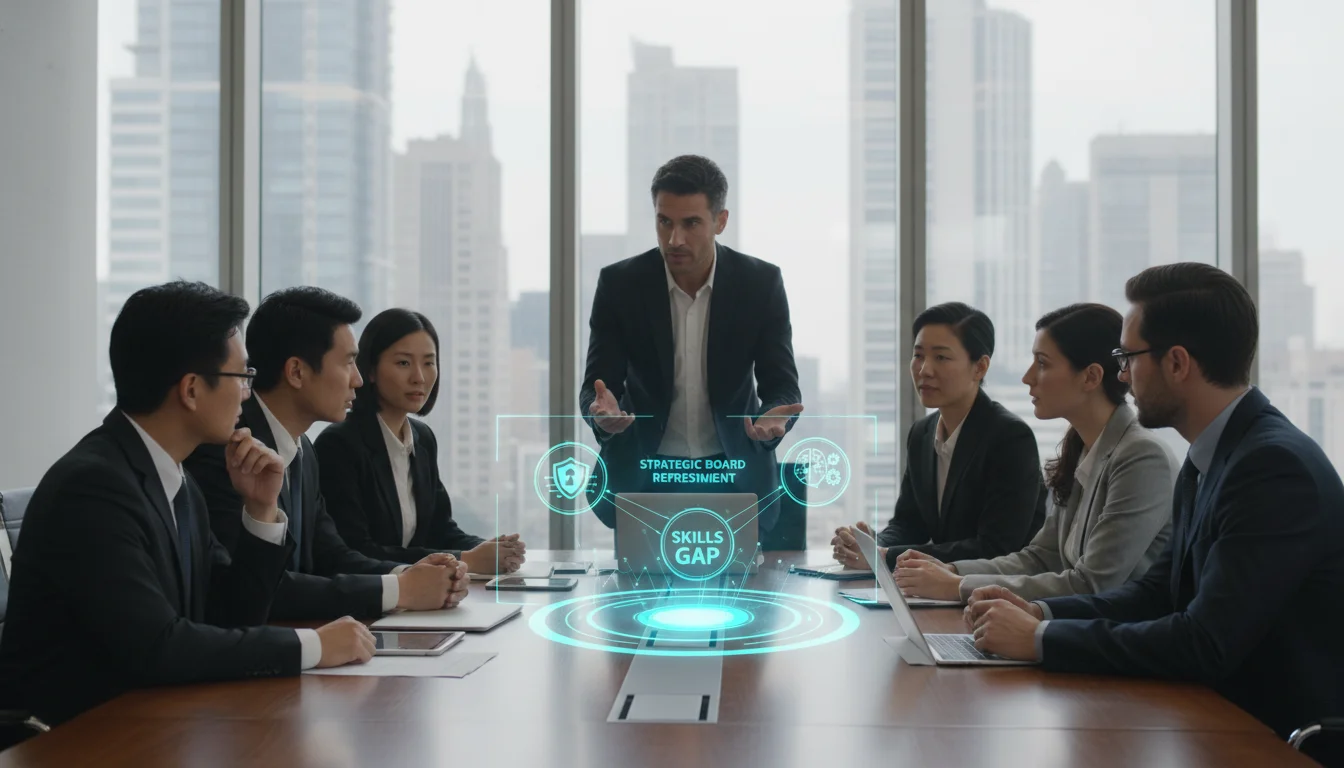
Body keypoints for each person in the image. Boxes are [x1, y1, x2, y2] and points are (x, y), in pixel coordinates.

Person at [965, 264, 1344, 763]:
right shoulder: (1211, 456)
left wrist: (1040, 639)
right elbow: (1156, 594)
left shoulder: (1272, 468)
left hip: (1275, 739)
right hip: (1209, 718)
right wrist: (1040, 612)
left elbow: (1204, 641)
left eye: (1128, 358)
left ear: (1178, 363)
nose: (1122, 375)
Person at [0, 281, 374, 726]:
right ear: (192, 390)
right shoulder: (94, 487)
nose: (248, 393)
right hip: (74, 736)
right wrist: (311, 646)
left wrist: (260, 511)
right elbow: (158, 646)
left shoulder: (177, 481)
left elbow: (230, 616)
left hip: (156, 719)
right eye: (242, 377)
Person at [185, 287, 468, 621]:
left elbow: (331, 555)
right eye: (348, 362)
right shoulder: (229, 451)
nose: (358, 380)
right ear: (296, 372)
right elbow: (257, 588)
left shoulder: (303, 449)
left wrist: (410, 575)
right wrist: (401, 590)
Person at [892, 303, 1175, 603]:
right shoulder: (1082, 450)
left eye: (1042, 363)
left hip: (1112, 629)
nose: (1027, 377)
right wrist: (949, 570)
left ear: (1091, 377)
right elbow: (1040, 558)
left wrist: (957, 585)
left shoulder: (1142, 458)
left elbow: (1092, 584)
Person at [580, 155, 803, 534]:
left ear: (721, 221)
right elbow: (596, 387)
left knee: (741, 575)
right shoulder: (621, 285)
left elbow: (781, 384)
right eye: (664, 222)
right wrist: (601, 416)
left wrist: (773, 417)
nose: (674, 239)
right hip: (644, 475)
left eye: (691, 223)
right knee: (637, 574)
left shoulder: (759, 284)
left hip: (733, 475)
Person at [832, 302, 1047, 573]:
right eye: (918, 355)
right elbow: (909, 524)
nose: (924, 370)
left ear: (980, 367)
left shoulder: (1010, 437)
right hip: (943, 588)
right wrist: (871, 545)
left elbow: (996, 547)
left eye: (941, 358)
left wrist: (885, 556)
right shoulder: (921, 433)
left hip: (1005, 589)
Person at [314, 308, 526, 572]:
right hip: (372, 593)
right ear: (370, 370)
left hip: (421, 592)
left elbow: (441, 530)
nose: (419, 377)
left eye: (428, 363)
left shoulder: (422, 438)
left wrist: (490, 550)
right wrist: (465, 559)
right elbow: (356, 551)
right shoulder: (338, 445)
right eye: (404, 363)